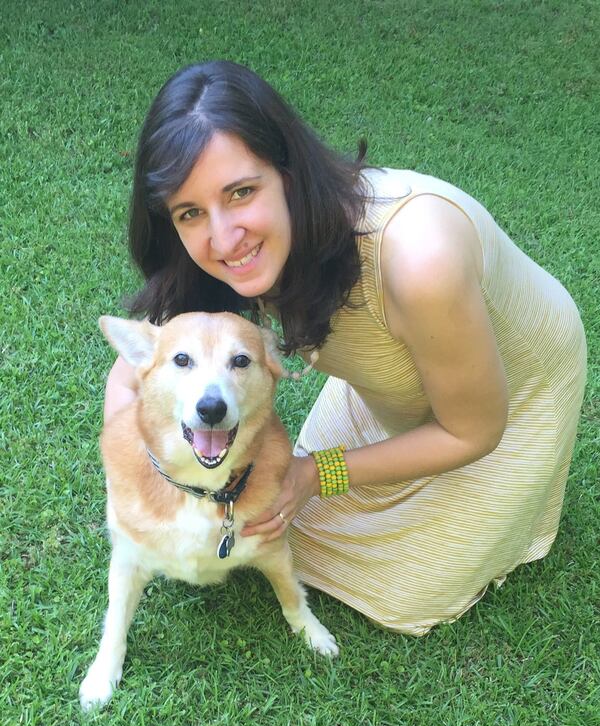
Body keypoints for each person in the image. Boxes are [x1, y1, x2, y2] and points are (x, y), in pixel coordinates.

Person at [106, 60, 586, 635]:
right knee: (279, 525)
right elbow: (133, 373)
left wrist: (317, 474)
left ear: (288, 169)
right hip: (387, 381)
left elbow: (475, 430)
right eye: (191, 213)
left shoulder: (419, 259)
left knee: (402, 591)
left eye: (241, 192)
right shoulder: (223, 248)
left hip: (508, 396)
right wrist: (142, 469)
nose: (223, 238)